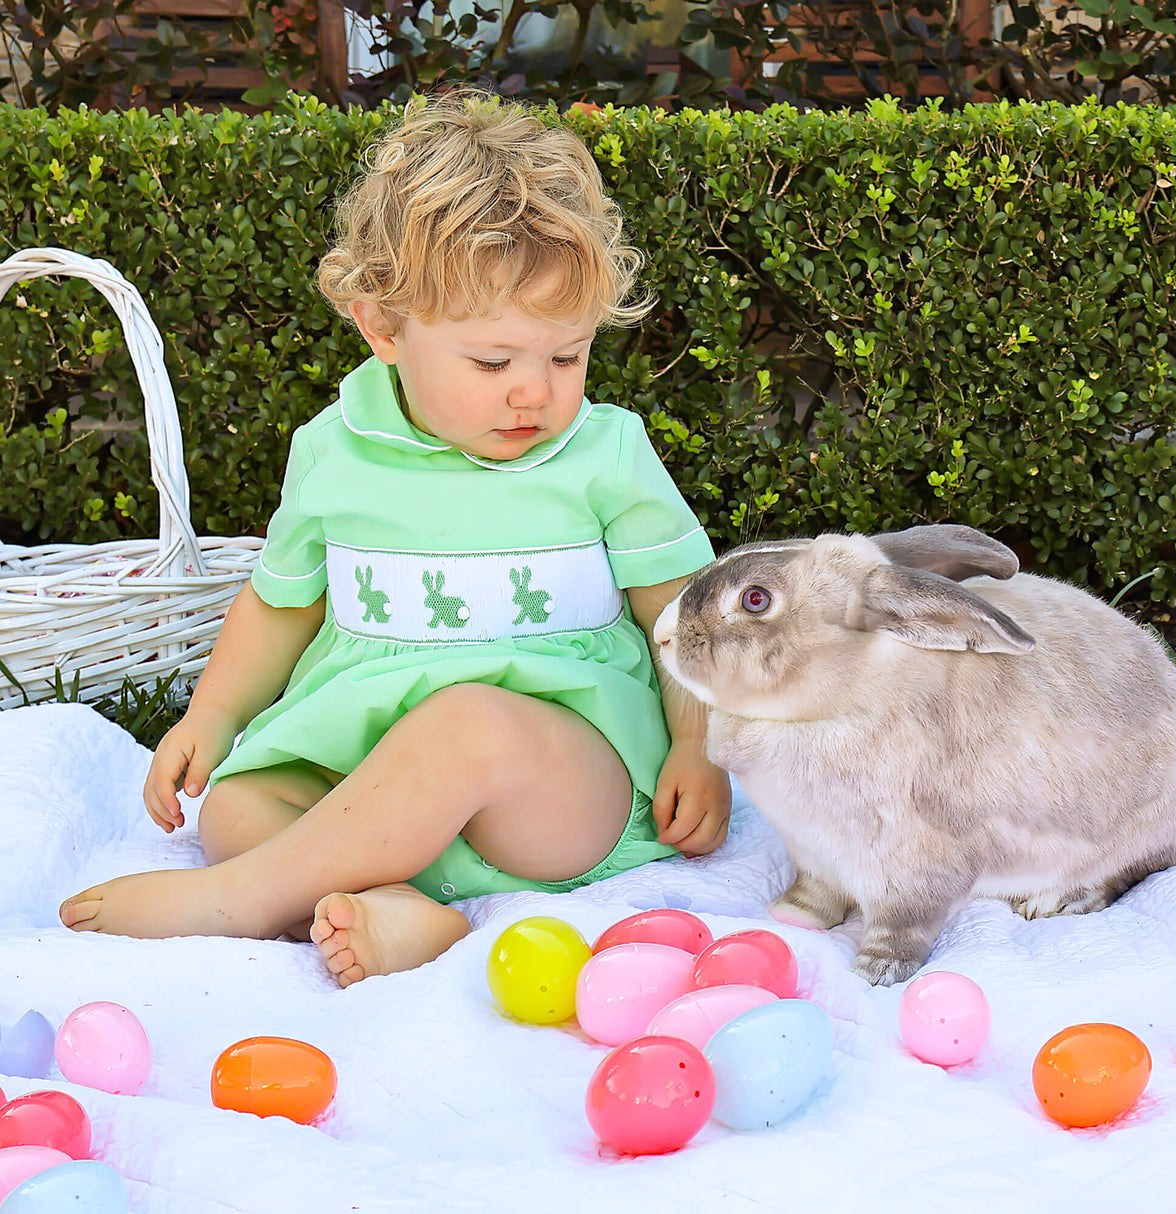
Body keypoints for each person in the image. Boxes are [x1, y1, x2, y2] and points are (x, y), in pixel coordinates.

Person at [60, 89, 732, 986]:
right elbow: (280, 604)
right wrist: (214, 716)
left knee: (468, 725)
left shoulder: (603, 454)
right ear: (383, 328)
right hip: (365, 767)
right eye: (494, 362)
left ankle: (246, 900)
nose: (534, 391)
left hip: (556, 782)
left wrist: (698, 744)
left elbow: (685, 613)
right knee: (239, 806)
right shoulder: (335, 452)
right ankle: (400, 911)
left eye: (565, 355)